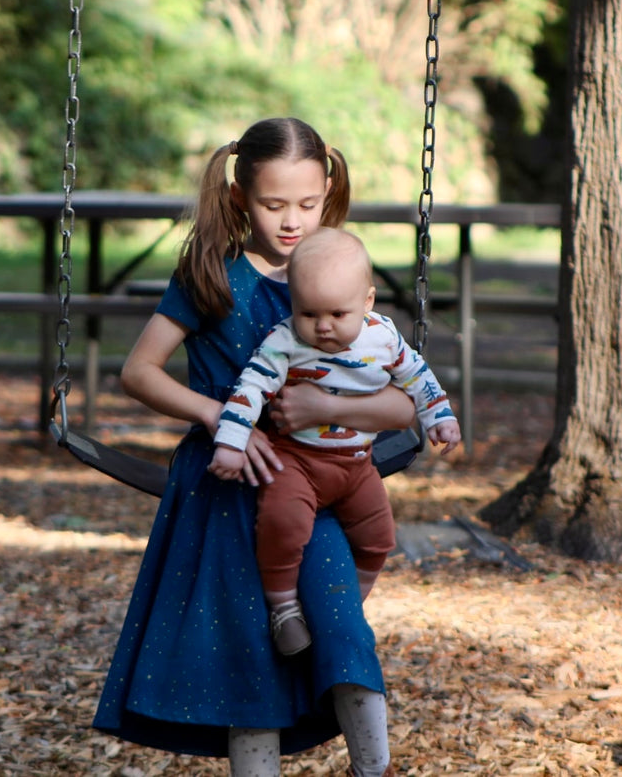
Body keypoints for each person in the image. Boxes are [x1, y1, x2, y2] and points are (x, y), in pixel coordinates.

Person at [97, 118, 415, 777]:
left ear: (328, 189)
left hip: (318, 489)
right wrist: (215, 414)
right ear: (241, 197)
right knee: (249, 664)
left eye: (307, 203)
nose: (291, 220)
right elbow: (138, 371)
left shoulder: (337, 284)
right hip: (226, 496)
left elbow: (404, 402)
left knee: (344, 635)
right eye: (274, 205)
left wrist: (331, 408)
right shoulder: (211, 276)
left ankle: (375, 767)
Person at [211, 227, 460, 657]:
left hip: (357, 464)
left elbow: (417, 377)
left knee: (380, 537)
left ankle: (352, 603)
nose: (322, 327)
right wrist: (231, 443)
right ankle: (284, 607)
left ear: (367, 302)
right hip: (297, 460)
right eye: (309, 313)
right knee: (281, 525)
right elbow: (249, 388)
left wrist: (439, 415)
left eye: (337, 315)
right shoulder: (285, 341)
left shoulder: (382, 337)